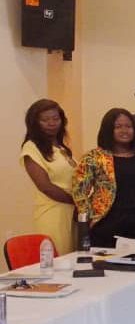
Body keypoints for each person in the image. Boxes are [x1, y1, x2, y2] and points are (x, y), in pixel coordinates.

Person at [72, 108, 135, 249]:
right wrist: (89, 217)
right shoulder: (94, 157)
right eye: (118, 127)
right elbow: (79, 190)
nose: (124, 131)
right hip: (106, 224)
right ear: (108, 129)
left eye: (128, 126)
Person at [20, 99, 76, 254]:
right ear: (34, 123)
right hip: (53, 213)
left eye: (55, 118)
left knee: (73, 260)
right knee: (59, 260)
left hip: (72, 213)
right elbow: (45, 186)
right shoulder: (31, 148)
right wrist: (76, 201)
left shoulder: (61, 148)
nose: (52, 123)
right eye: (45, 120)